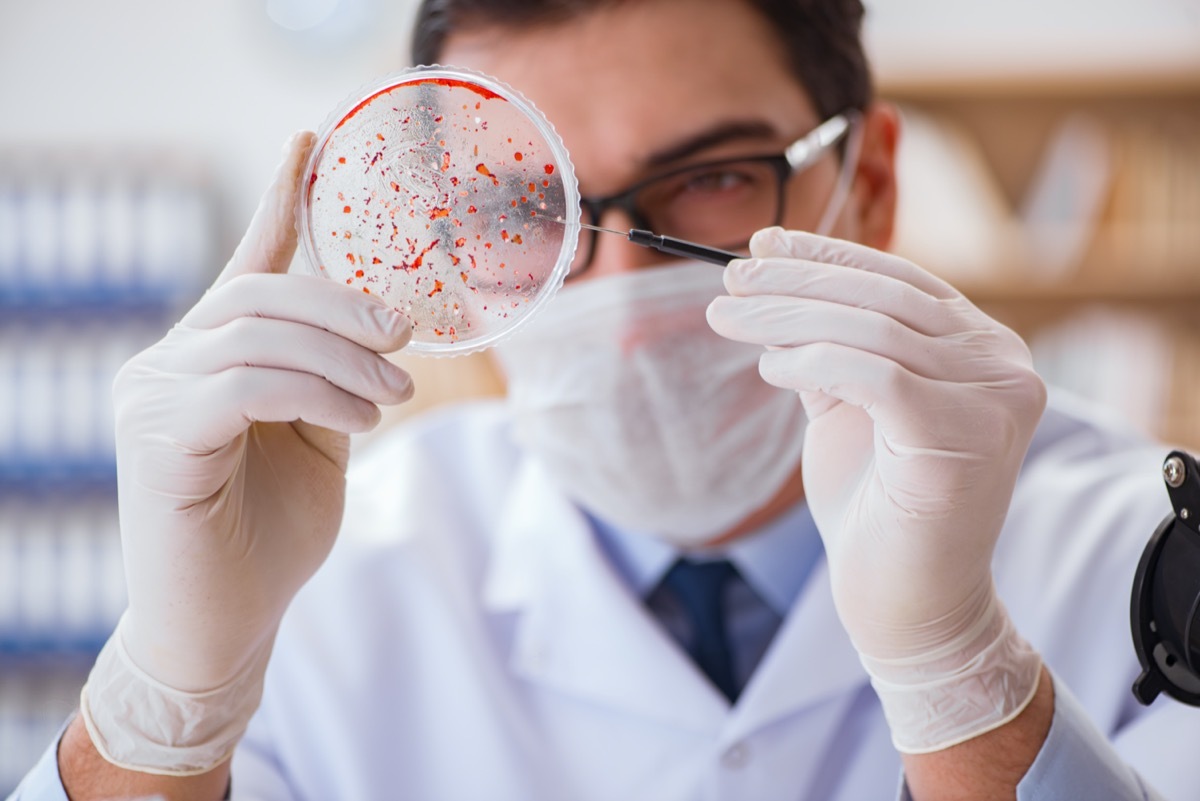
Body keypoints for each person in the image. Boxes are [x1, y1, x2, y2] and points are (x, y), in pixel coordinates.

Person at [10, 0, 1199, 799]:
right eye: (529, 203)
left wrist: (961, 671)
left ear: (872, 182)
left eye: (716, 177)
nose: (622, 282)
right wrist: (167, 704)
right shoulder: (320, 595)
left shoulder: (1140, 561)